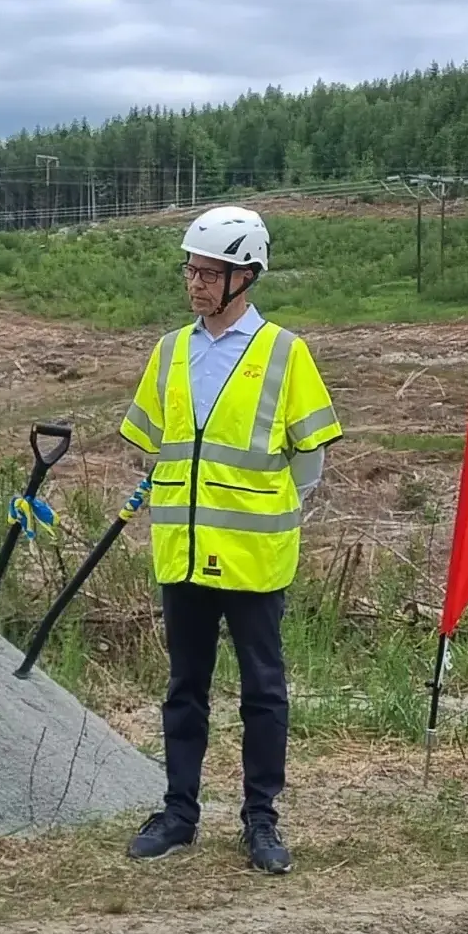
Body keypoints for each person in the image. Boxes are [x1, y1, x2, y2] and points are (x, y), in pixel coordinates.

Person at [118, 205, 341, 874]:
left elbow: (310, 459)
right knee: (185, 685)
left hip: (253, 557)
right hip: (182, 554)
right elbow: (149, 445)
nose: (196, 283)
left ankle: (260, 819)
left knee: (262, 691)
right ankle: (179, 813)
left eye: (209, 272)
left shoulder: (283, 353)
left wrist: (272, 509)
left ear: (246, 276)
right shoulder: (170, 351)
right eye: (191, 270)